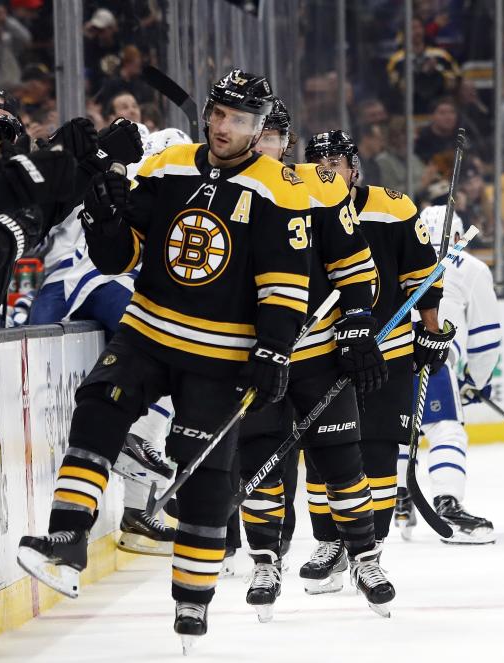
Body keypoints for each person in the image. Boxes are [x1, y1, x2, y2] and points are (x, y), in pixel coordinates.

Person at [16, 69, 311, 652]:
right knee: (98, 409)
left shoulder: (282, 189)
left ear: (260, 129)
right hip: (147, 333)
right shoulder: (168, 166)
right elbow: (120, 254)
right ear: (207, 113)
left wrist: (275, 349)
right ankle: (67, 539)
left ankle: (192, 604)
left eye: (242, 120)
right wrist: (104, 217)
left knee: (204, 479)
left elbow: (285, 283)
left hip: (220, 356)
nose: (226, 128)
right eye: (220, 114)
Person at [239, 100, 391, 622]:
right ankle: (264, 560)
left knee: (343, 463)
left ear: (286, 141)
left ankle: (365, 558)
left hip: (317, 356)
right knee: (260, 464)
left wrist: (356, 327)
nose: (264, 145)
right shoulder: (218, 188)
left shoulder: (321, 187)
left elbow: (357, 268)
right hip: (253, 358)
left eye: (273, 135)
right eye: (258, 135)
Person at [300, 129, 450, 598]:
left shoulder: (394, 206)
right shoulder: (300, 207)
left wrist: (430, 330)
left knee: (380, 450)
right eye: (320, 165)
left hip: (388, 352)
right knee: (324, 454)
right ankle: (329, 544)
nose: (330, 172)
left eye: (337, 163)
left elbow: (423, 277)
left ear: (355, 166)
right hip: (323, 355)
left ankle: (371, 550)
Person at [395, 205, 500, 544]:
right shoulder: (470, 267)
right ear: (457, 236)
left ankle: (397, 497)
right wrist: (476, 381)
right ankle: (447, 504)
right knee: (446, 430)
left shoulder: (395, 258)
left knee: (396, 428)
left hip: (387, 357)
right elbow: (486, 338)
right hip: (433, 358)